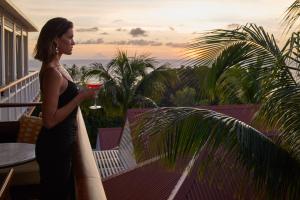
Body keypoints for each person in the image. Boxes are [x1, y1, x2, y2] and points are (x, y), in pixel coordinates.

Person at [34, 17, 95, 200]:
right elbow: (49, 120)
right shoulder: (52, 72)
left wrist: (80, 93)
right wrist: (80, 97)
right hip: (54, 147)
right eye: (69, 37)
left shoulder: (57, 66)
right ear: (55, 40)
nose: (73, 42)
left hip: (60, 143)